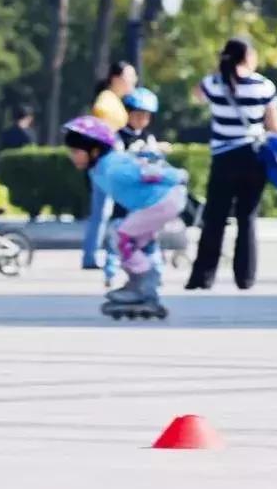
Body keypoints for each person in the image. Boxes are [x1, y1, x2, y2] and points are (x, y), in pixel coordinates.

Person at [185, 37, 277, 291]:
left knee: (215, 218)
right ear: (249, 56)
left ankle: (203, 277)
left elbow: (195, 96)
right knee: (246, 218)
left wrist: (219, 70)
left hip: (223, 158)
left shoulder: (213, 83)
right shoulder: (263, 85)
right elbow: (276, 127)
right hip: (253, 157)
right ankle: (245, 277)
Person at [62, 115, 188, 314]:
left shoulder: (113, 169)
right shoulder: (98, 169)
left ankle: (143, 282)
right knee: (135, 243)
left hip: (162, 201)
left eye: (76, 151)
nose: (72, 156)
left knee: (121, 237)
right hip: (156, 203)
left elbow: (147, 172)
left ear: (94, 151)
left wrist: (179, 175)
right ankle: (145, 287)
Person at [103, 87, 169, 287]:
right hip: (125, 195)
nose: (142, 120)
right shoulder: (117, 137)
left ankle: (155, 270)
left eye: (146, 116)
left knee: (148, 234)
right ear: (128, 114)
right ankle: (112, 272)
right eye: (138, 115)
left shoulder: (148, 137)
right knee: (119, 233)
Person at [81, 61, 139, 269]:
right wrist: (109, 136)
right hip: (106, 161)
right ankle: (98, 255)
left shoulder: (114, 99)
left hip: (107, 161)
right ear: (116, 78)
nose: (133, 80)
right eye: (129, 76)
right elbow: (99, 114)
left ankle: (95, 254)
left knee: (104, 210)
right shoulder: (107, 99)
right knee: (107, 209)